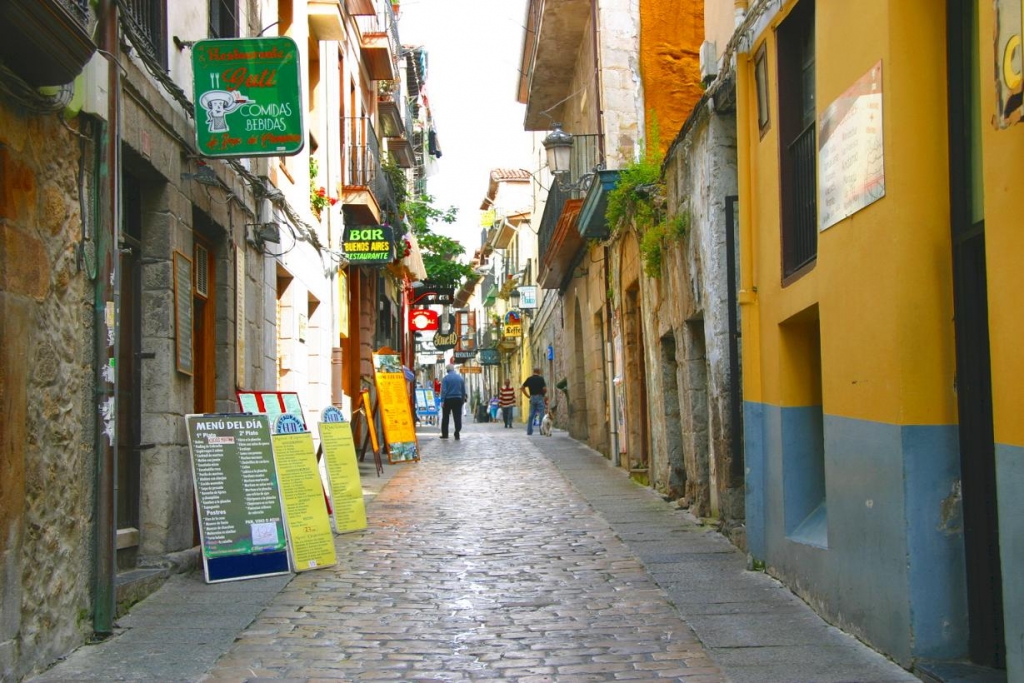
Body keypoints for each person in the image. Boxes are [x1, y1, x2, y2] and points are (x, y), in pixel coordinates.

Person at [438, 363, 466, 440]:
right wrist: (463, 399)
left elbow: (444, 390)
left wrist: (442, 401)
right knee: (457, 417)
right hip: (458, 399)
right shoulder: (460, 378)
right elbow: (463, 390)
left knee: (446, 417)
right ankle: (457, 432)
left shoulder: (445, 379)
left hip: (448, 399)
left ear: (447, 370)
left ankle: (445, 434)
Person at [520, 367, 547, 436]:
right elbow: (544, 389)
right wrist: (544, 394)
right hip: (540, 397)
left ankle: (529, 431)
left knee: (531, 415)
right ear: (538, 371)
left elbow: (522, 388)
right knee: (541, 414)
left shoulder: (529, 379)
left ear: (533, 371)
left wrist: (527, 396)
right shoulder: (541, 379)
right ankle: (541, 431)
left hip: (532, 397)